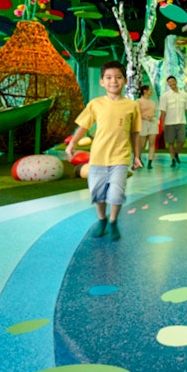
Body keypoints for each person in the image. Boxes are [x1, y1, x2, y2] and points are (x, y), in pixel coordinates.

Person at [65, 60, 143, 241]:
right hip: (98, 157)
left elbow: (135, 133)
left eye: (117, 77)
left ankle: (114, 221)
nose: (113, 81)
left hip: (120, 158)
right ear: (102, 82)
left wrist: (137, 156)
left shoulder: (132, 106)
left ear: (124, 80)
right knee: (97, 193)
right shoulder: (95, 104)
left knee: (116, 193)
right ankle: (102, 219)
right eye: (108, 77)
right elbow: (84, 126)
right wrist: (73, 143)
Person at [157, 75, 187, 167]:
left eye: (173, 81)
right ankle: (173, 159)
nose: (172, 83)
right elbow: (163, 110)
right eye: (169, 82)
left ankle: (176, 153)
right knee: (170, 142)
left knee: (182, 141)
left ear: (176, 82)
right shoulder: (165, 96)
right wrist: (163, 122)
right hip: (169, 122)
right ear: (168, 84)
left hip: (181, 121)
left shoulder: (184, 94)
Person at [137, 84, 159, 168]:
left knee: (152, 143)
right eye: (150, 90)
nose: (151, 91)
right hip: (143, 123)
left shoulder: (152, 102)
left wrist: (152, 117)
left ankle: (150, 162)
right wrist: (144, 117)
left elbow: (155, 113)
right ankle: (138, 157)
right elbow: (137, 113)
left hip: (152, 123)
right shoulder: (138, 101)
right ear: (145, 91)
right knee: (142, 144)